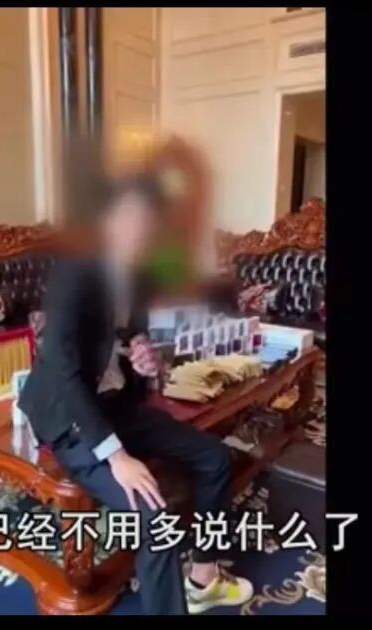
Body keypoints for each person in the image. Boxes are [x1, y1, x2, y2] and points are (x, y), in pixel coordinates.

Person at [17, 173, 253, 614]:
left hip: (117, 405)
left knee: (216, 458)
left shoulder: (140, 274)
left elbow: (129, 340)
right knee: (155, 518)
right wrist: (117, 456)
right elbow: (66, 373)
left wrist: (145, 360)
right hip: (71, 416)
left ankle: (203, 577)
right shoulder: (74, 274)